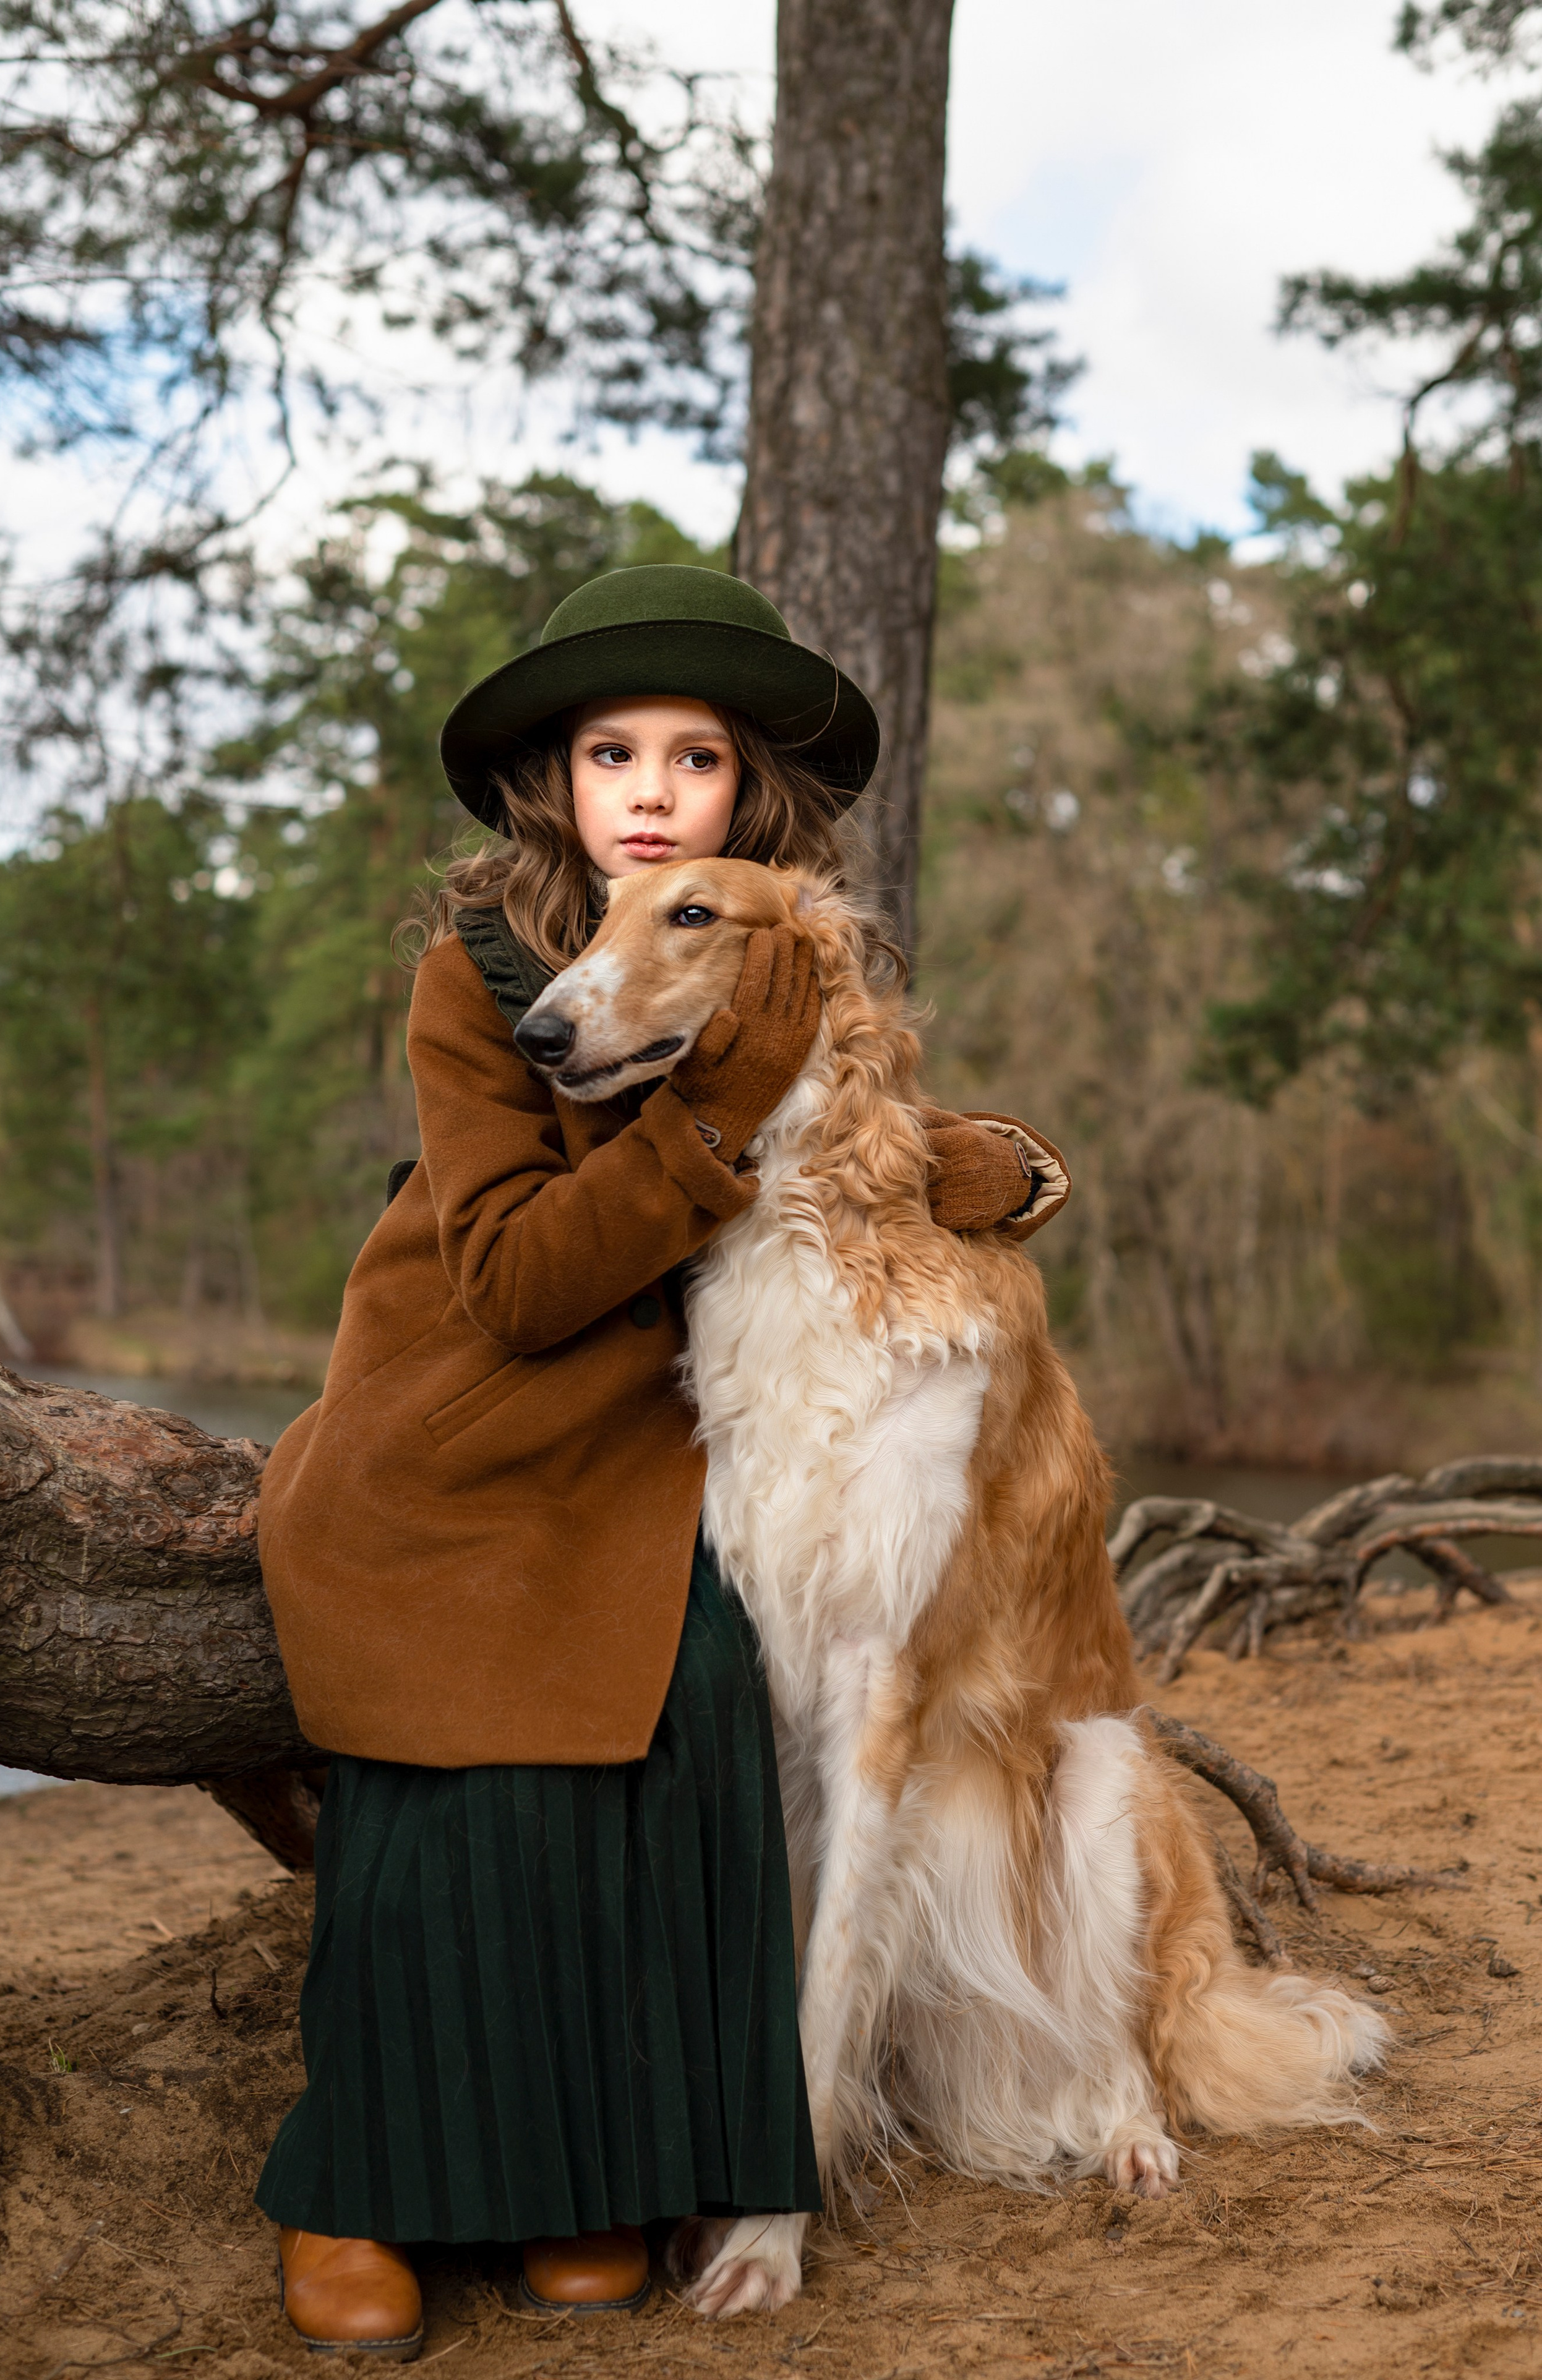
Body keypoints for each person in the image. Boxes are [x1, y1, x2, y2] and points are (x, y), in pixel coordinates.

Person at [252, 565, 1066, 2354]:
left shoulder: (763, 951)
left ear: (742, 793)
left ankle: (593, 2169)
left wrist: (987, 1162)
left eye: (693, 758)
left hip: (650, 1457)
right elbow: (521, 1279)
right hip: (461, 1435)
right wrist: (711, 1116)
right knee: (467, 1732)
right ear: (555, 781)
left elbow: (848, 1126)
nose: (648, 790)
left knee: (696, 1709)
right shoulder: (479, 977)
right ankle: (359, 2177)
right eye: (609, 752)